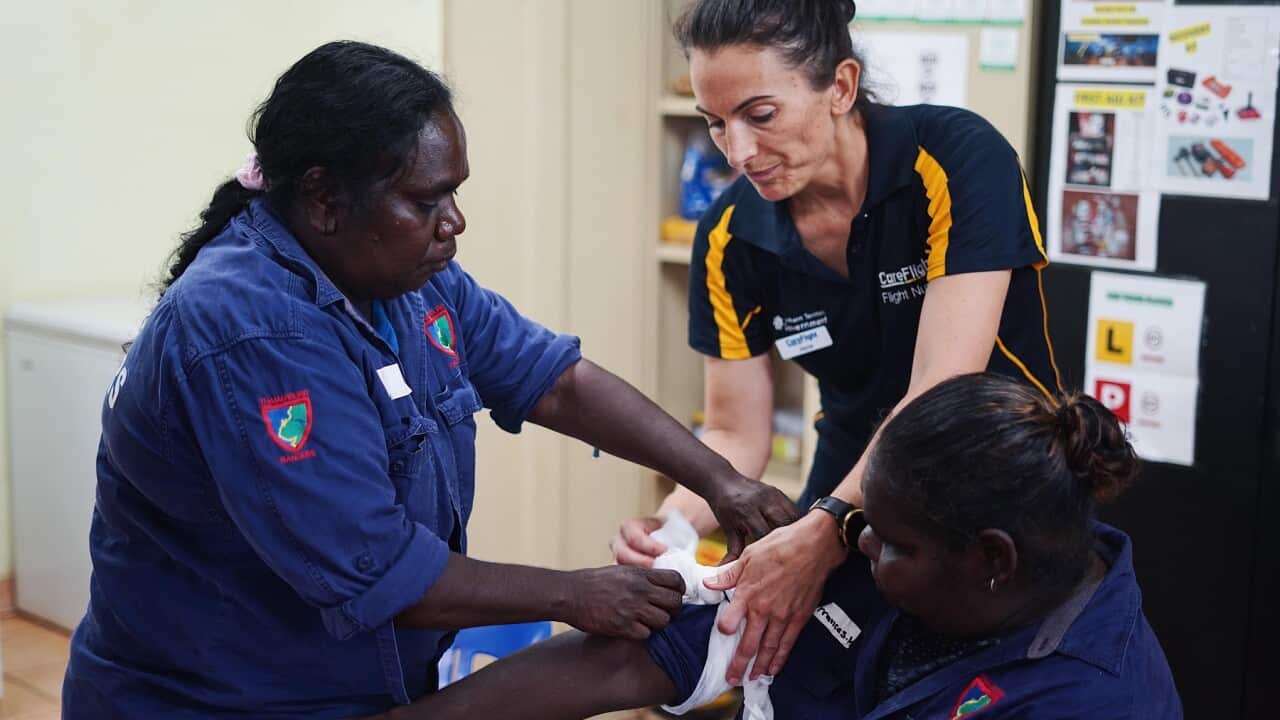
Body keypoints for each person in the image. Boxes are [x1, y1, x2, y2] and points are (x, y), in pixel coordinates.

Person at [61, 41, 798, 719]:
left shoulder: (408, 281)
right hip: (209, 699)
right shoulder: (252, 329)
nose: (456, 222)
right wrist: (575, 594)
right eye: (425, 201)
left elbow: (557, 381)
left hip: (354, 683)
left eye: (454, 193)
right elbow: (374, 567)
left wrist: (718, 481)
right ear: (323, 200)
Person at [611, 0, 1062, 684]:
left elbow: (943, 388)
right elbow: (736, 436)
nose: (738, 153)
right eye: (716, 125)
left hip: (998, 479)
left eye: (760, 116)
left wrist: (826, 530)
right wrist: (671, 523)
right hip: (852, 476)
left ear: (841, 87)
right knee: (805, 677)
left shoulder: (955, 160)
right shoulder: (730, 237)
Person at [373, 373, 1183, 720]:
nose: (853, 542)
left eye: (889, 541)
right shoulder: (886, 566)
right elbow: (652, 652)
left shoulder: (1093, 699)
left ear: (991, 559)